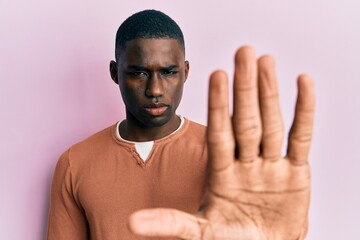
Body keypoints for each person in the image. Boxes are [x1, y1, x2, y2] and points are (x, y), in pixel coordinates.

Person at [46, 10, 315, 240]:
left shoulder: (229, 158)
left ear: (185, 72)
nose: (155, 90)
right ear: (115, 73)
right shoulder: (76, 163)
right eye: (139, 73)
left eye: (168, 72)